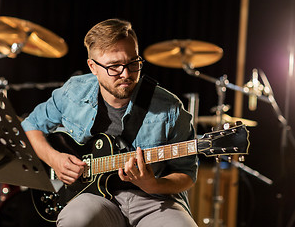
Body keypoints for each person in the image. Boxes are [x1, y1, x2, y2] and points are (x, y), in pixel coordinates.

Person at [21, 18, 198, 227]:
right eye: (114, 66)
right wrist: (55, 159)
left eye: (133, 63)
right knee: (75, 221)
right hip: (94, 198)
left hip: (154, 200)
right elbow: (30, 126)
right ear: (93, 67)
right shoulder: (73, 92)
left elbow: (186, 174)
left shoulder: (170, 107)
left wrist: (154, 184)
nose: (126, 74)